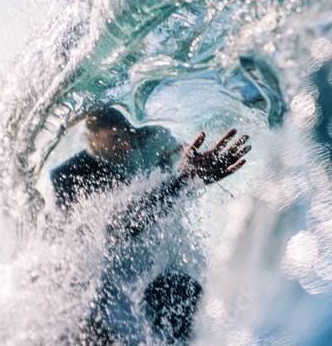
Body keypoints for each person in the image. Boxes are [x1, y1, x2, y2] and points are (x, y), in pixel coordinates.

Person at [50, 106, 251, 343]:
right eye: (115, 139)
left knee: (181, 292)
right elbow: (115, 228)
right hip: (82, 292)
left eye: (128, 138)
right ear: (90, 138)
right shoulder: (69, 176)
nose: (127, 146)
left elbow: (170, 162)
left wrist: (187, 170)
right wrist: (183, 181)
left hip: (134, 282)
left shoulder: (144, 145)